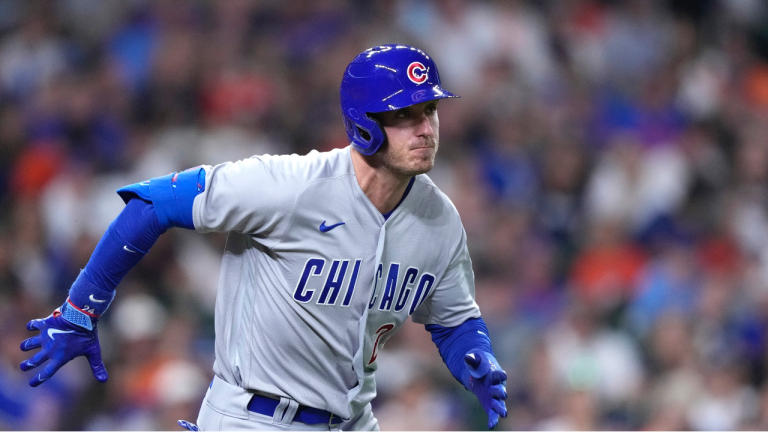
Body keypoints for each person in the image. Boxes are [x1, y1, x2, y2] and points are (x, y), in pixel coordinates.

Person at [19, 44, 508, 431]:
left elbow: (453, 321)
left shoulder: (440, 219)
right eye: (405, 115)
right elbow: (152, 204)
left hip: (356, 421)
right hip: (254, 418)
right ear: (363, 125)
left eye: (430, 112)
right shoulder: (289, 186)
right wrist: (81, 309)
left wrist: (477, 360)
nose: (426, 129)